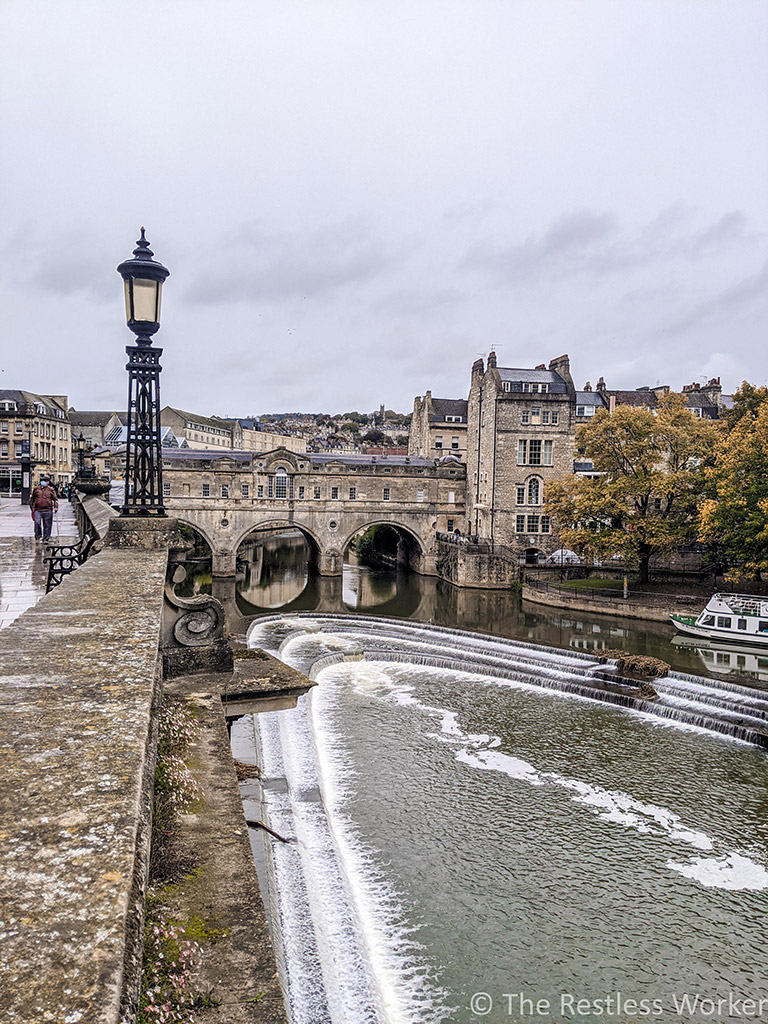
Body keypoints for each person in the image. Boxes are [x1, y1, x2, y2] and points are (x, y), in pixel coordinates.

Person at [29, 477, 58, 542]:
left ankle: (46, 538)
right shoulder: (36, 489)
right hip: (38, 509)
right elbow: (32, 498)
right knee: (37, 522)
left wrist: (56, 507)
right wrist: (32, 507)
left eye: (46, 481)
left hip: (48, 509)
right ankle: (38, 535)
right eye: (43, 481)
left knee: (47, 525)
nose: (45, 482)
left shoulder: (50, 490)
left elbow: (55, 500)